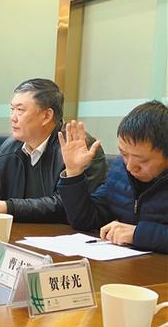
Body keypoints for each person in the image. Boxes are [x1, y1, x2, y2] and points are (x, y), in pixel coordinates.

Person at [0, 78, 107, 222]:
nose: (12, 117)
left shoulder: (79, 148)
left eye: (20, 110)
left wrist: (6, 207)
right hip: (18, 235)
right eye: (12, 109)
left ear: (47, 116)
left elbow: (67, 207)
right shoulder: (10, 147)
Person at [58, 101, 168, 253]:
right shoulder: (119, 171)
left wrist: (138, 234)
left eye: (142, 161)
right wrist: (73, 172)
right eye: (124, 154)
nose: (130, 167)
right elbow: (85, 220)